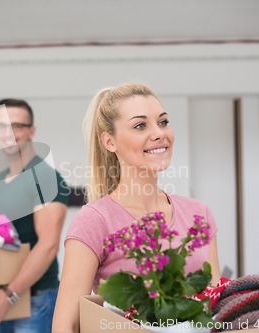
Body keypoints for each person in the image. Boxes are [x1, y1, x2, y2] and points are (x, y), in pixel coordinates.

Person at [52, 83, 221, 333]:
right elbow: (67, 325)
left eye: (163, 122)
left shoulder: (198, 213)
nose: (159, 133)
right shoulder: (95, 220)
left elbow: (216, 306)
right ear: (110, 142)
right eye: (140, 125)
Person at [0, 99, 69, 333]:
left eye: (16, 126)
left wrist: (9, 294)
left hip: (34, 299)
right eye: (2, 126)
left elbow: (48, 246)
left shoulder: (45, 177)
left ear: (31, 131)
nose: (8, 133)